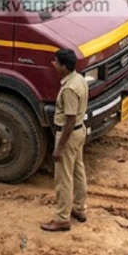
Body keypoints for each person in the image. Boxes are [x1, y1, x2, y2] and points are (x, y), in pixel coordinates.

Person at [41, 49, 88, 233]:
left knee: (63, 178)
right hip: (79, 131)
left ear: (64, 67)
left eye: (56, 62)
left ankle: (61, 218)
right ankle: (79, 208)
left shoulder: (68, 89)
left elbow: (69, 119)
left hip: (68, 134)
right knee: (78, 170)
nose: (54, 65)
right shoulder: (79, 80)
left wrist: (59, 147)